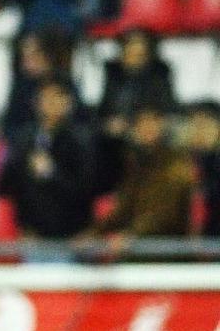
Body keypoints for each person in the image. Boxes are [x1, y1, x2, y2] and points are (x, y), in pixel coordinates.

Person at [0, 77, 97, 239]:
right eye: (47, 97)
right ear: (37, 102)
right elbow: (8, 184)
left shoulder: (82, 141)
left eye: (59, 97)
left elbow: (85, 189)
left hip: (71, 235)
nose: (53, 103)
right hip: (32, 234)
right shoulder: (24, 139)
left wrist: (51, 173)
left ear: (69, 102)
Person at [82, 104, 195, 243]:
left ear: (162, 124)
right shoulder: (136, 162)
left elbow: (166, 213)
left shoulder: (176, 162)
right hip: (139, 244)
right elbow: (124, 207)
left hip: (168, 246)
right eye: (141, 122)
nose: (147, 127)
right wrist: (94, 234)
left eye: (152, 121)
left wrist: (131, 234)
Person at [186, 102, 220, 237]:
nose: (200, 132)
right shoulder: (183, 164)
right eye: (195, 126)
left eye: (205, 126)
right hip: (186, 241)